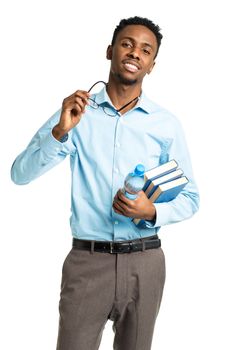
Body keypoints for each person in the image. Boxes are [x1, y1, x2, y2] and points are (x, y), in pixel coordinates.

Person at [11, 16, 199, 350]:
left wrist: (151, 210)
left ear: (152, 65)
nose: (134, 53)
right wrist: (59, 132)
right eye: (127, 44)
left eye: (145, 50)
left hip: (146, 262)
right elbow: (19, 174)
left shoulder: (165, 124)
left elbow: (191, 197)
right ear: (110, 50)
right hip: (88, 262)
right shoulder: (77, 113)